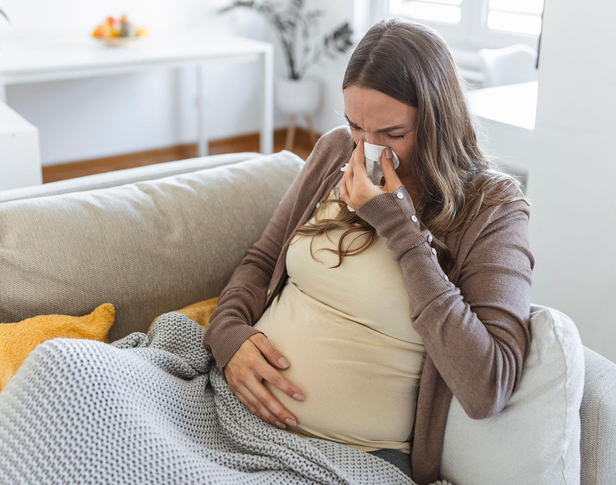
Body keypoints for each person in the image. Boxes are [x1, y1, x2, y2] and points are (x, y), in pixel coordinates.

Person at [202, 17, 534, 485]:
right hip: (227, 409)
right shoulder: (335, 151)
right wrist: (229, 337)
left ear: (439, 122)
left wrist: (400, 228)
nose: (369, 151)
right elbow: (261, 261)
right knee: (71, 371)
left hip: (348, 461)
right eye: (355, 125)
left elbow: (488, 384)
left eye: (393, 134)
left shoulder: (492, 207)